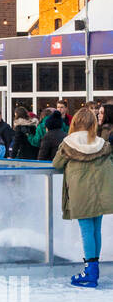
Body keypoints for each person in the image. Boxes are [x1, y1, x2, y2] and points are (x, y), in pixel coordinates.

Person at [52, 104, 113, 287]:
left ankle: (90, 271)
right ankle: (93, 269)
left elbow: (56, 164)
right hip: (100, 192)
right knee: (96, 230)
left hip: (80, 193)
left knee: (87, 231)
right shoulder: (102, 143)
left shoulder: (68, 143)